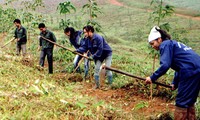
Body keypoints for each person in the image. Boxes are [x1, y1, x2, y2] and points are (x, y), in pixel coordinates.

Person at [145, 26, 200, 120]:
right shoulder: (173, 44)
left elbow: (165, 65)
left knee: (181, 102)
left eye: (152, 43)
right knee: (189, 101)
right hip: (195, 69)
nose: (152, 46)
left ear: (159, 39)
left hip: (190, 71)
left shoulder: (165, 45)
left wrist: (152, 78)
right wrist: (175, 83)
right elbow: (180, 66)